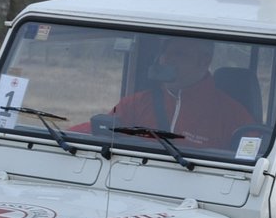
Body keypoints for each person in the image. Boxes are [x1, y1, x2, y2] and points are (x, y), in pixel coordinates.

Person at [108, 37, 253, 151]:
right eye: (165, 52)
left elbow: (250, 161)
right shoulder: (134, 103)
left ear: (204, 61)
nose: (166, 59)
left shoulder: (233, 115)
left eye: (179, 54)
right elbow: (96, 132)